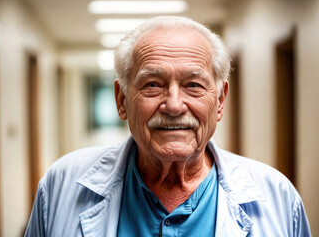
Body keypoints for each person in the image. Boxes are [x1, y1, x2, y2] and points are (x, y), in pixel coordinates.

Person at [25, 16, 311, 236]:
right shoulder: (60, 186)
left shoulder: (278, 198)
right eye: (152, 85)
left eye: (193, 85)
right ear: (122, 99)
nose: (174, 105)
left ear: (220, 100)